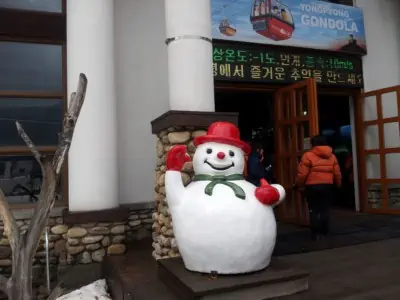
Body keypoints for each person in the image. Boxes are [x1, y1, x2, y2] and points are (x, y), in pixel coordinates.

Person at [295, 135, 342, 241]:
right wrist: (338, 185)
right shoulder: (332, 156)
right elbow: (337, 174)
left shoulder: (307, 156)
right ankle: (324, 232)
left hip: (312, 186)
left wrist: (300, 185)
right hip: (327, 186)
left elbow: (302, 174)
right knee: (325, 209)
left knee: (314, 210)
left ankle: (316, 234)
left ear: (313, 144)